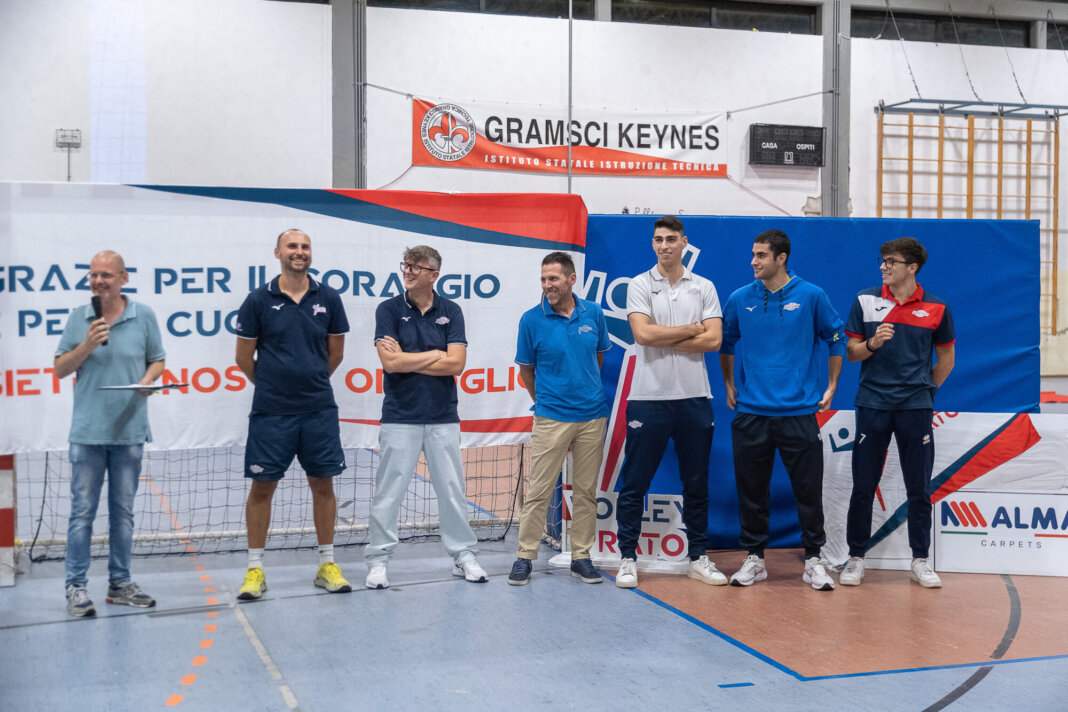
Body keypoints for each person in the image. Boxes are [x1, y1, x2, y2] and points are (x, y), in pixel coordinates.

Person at [719, 229, 844, 592]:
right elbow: (727, 341)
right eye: (753, 255)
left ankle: (814, 559)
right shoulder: (740, 298)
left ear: (781, 257)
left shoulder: (812, 295)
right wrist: (729, 383)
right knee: (751, 490)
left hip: (799, 412)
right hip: (752, 413)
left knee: (808, 490)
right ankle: (755, 559)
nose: (753, 261)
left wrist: (832, 385)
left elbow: (835, 338)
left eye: (761, 255)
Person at [234, 229, 351, 600]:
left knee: (323, 485)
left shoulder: (329, 298)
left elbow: (336, 354)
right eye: (292, 246)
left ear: (310, 253)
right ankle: (255, 569)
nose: (299, 252)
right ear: (277, 253)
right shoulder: (257, 300)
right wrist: (272, 385)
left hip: (318, 409)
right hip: (271, 412)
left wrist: (311, 381)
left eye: (305, 247)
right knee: (262, 487)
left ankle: (327, 564)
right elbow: (242, 358)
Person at [614, 215, 727, 589]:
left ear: (684, 242)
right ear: (653, 244)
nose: (665, 245)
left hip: (695, 398)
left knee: (697, 485)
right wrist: (691, 329)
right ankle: (627, 558)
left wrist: (676, 335)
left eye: (671, 239)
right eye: (659, 239)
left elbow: (713, 342)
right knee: (634, 484)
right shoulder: (639, 284)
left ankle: (698, 557)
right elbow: (643, 335)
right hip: (648, 399)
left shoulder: (704, 286)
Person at [365, 245, 487, 588]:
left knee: (451, 490)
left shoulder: (452, 310)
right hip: (400, 416)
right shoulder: (388, 309)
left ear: (434, 275)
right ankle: (378, 559)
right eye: (406, 265)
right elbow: (390, 363)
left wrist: (411, 357)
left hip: (443, 416)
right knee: (388, 491)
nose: (408, 271)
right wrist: (436, 353)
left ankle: (463, 555)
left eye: (416, 267)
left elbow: (457, 364)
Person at [55, 250, 166, 616]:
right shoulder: (79, 318)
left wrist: (148, 382)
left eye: (106, 274)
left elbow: (157, 359)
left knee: (123, 512)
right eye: (93, 275)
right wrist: (87, 344)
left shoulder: (144, 315)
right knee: (82, 512)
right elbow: (60, 369)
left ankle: (120, 584)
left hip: (130, 431)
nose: (98, 281)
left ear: (123, 277)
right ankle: (76, 588)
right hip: (87, 433)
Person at [841, 237, 955, 589]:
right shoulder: (865, 300)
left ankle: (920, 559)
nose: (883, 267)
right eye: (882, 260)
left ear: (912, 267)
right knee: (863, 484)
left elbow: (946, 360)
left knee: (918, 487)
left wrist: (923, 390)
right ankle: (856, 557)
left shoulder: (937, 308)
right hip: (873, 403)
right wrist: (872, 343)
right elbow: (851, 353)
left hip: (915, 408)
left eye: (890, 261)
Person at [508, 252, 611, 586]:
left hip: (593, 417)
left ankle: (581, 557)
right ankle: (524, 557)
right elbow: (527, 369)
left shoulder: (593, 313)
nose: (547, 285)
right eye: (543, 279)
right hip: (551, 418)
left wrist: (584, 391)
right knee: (538, 491)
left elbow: (598, 358)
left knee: (585, 492)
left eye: (553, 279)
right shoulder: (530, 320)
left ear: (571, 279)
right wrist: (547, 402)